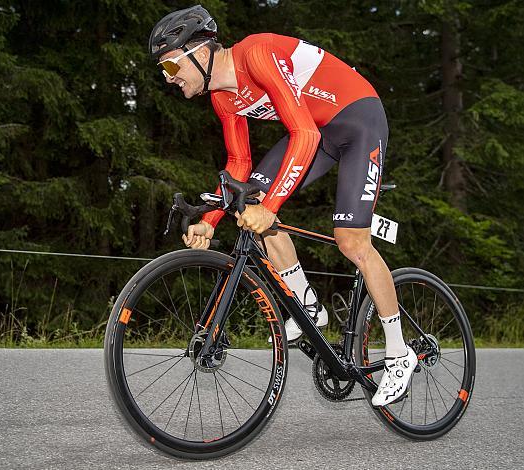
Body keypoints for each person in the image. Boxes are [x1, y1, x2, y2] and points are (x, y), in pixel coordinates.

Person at [149, 5, 416, 407]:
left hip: (358, 118)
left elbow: (303, 133)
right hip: (320, 130)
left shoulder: (255, 54)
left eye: (170, 68)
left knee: (351, 242)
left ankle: (399, 352)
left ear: (200, 53)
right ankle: (307, 303)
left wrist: (271, 206)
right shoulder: (223, 98)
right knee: (249, 203)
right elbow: (238, 166)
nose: (169, 80)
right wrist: (210, 219)